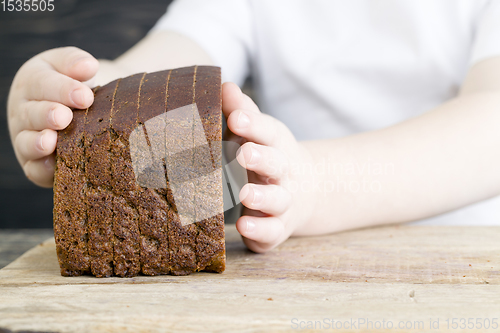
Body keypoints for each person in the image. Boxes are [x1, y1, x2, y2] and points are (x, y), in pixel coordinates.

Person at [7, 0, 500, 253]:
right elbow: (169, 84)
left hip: (468, 260)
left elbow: (490, 125)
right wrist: (79, 97)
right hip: (291, 257)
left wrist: (314, 182)